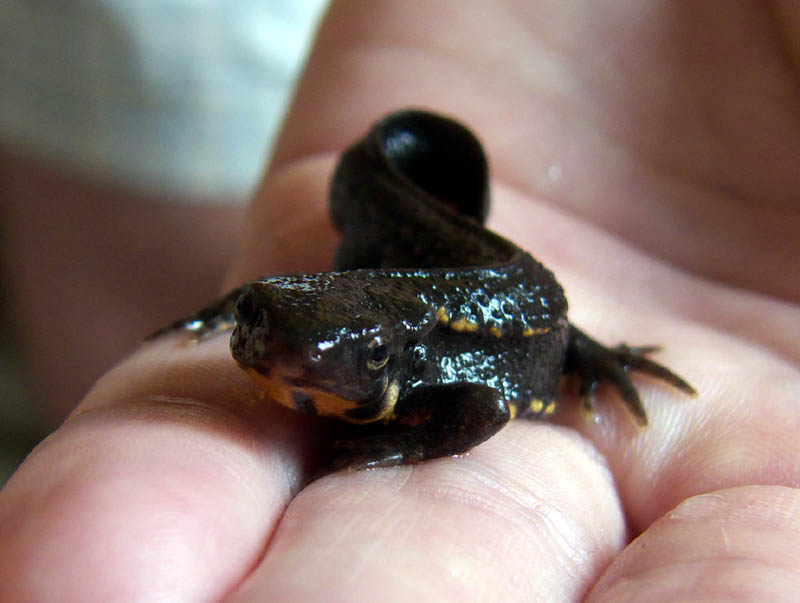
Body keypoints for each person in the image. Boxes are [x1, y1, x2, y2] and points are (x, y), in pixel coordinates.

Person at [1, 1, 799, 599]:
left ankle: (579, 345)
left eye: (320, 354)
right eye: (258, 328)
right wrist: (232, 310)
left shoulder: (428, 367)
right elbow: (288, 302)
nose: (283, 356)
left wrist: (402, 443)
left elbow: (485, 401)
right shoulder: (308, 311)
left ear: (378, 360)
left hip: (514, 309)